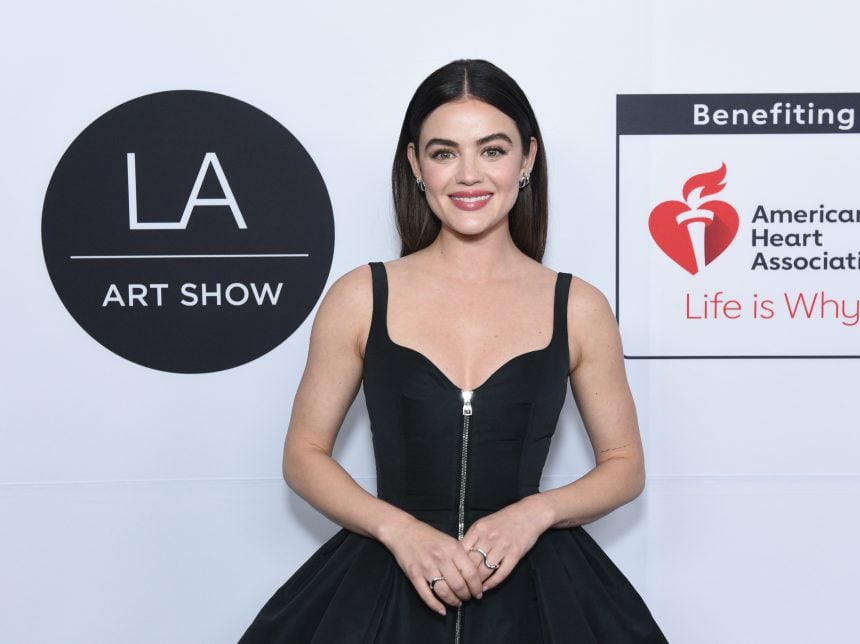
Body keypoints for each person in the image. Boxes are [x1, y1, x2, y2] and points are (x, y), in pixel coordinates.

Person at [240, 59, 669, 643]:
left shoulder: (578, 306)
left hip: (540, 594)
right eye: (444, 153)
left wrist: (534, 514)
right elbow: (304, 454)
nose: (469, 175)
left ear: (528, 160)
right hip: (384, 586)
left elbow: (625, 465)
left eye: (492, 150)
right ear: (416, 166)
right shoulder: (362, 296)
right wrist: (401, 532)